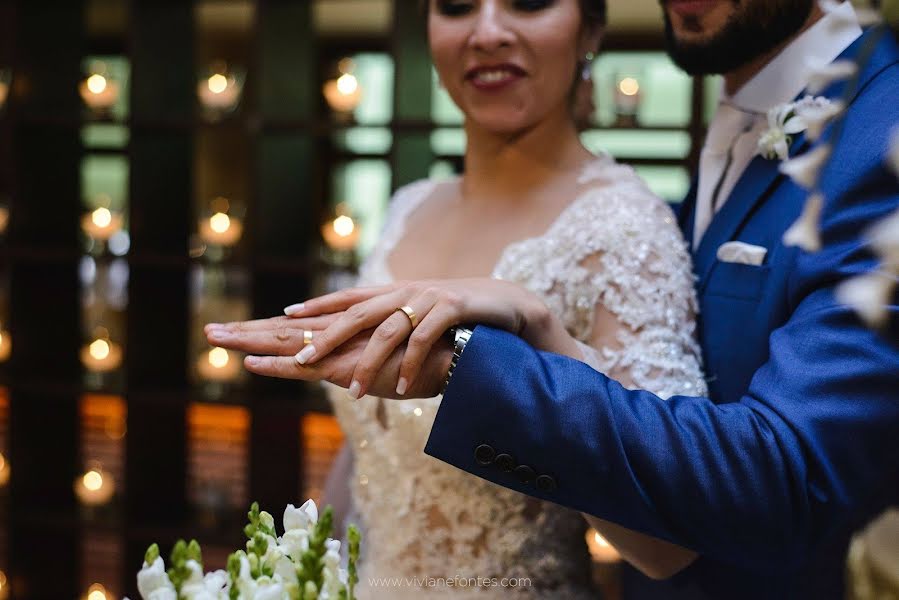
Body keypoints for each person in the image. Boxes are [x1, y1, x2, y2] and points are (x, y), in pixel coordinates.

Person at [210, 0, 899, 598]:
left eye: (529, 1)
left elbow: (679, 534)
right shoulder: (406, 208)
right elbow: (371, 456)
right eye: (453, 5)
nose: (486, 32)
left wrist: (535, 334)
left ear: (590, 29)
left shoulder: (623, 225)